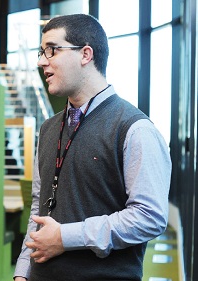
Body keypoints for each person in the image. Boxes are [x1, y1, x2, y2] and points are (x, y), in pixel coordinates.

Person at [14, 14, 171, 281]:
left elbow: (149, 217)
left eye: (52, 50)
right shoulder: (48, 129)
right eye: (42, 52)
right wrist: (23, 272)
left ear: (85, 54)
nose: (42, 61)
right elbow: (39, 210)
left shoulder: (135, 128)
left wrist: (66, 237)